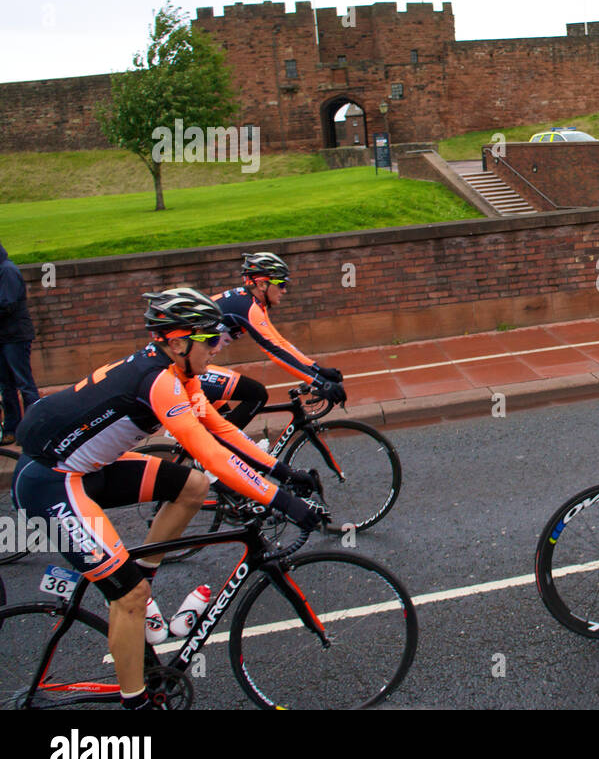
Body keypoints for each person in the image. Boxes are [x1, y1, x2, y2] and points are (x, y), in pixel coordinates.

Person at [12, 288, 326, 709]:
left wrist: (284, 473)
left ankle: (141, 575)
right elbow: (210, 453)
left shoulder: (180, 373)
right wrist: (283, 502)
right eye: (209, 340)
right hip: (51, 482)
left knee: (192, 486)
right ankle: (136, 701)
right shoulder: (160, 381)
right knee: (129, 598)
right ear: (177, 343)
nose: (217, 348)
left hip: (88, 470)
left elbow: (222, 431)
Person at [202, 252, 346, 430]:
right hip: (181, 371)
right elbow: (275, 352)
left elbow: (280, 343)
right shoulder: (248, 307)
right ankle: (221, 451)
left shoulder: (252, 303)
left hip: (192, 368)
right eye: (281, 284)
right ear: (262, 284)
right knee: (257, 394)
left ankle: (217, 452)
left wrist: (317, 369)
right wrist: (318, 382)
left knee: (222, 419)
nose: (284, 290)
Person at [0, 241, 39, 446]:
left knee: (24, 383)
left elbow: (8, 304)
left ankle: (33, 427)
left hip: (15, 336)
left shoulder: (7, 271)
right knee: (6, 386)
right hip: (4, 336)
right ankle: (11, 429)